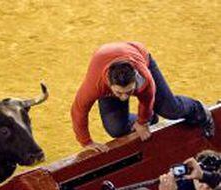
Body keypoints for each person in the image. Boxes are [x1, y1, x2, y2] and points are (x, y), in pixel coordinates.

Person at [71, 41, 215, 152]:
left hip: (139, 54)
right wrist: (86, 142)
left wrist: (142, 121)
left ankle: (199, 110)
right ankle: (152, 118)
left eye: (128, 92)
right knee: (116, 129)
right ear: (109, 83)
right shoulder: (94, 85)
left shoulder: (144, 78)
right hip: (108, 63)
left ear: (135, 79)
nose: (124, 97)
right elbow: (78, 110)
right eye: (119, 93)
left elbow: (147, 99)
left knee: (170, 110)